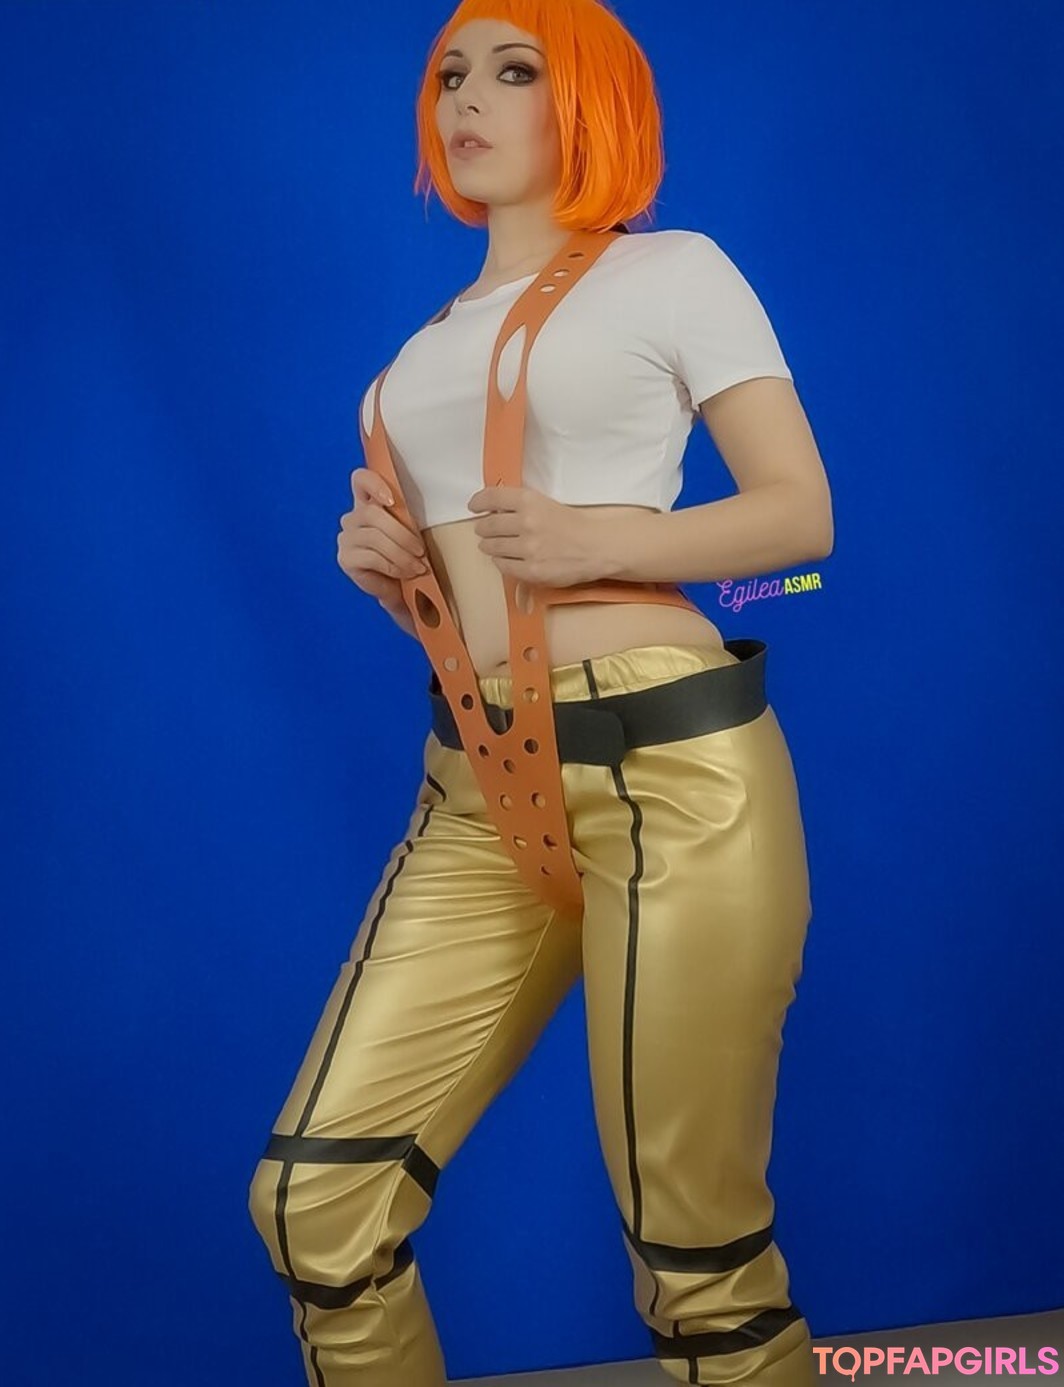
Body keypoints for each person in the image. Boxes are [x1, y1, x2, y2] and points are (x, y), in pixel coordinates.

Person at [247, 2, 833, 1384]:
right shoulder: (415, 359)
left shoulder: (674, 270)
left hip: (670, 767)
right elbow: (474, 605)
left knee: (696, 1260)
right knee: (317, 1206)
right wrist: (395, 581)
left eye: (516, 70)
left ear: (590, 100)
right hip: (477, 785)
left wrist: (603, 542)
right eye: (450, 73)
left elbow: (802, 532)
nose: (468, 98)